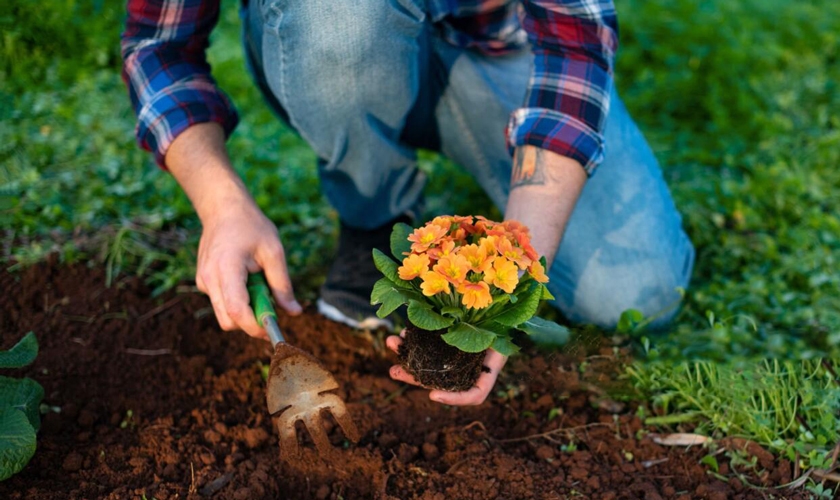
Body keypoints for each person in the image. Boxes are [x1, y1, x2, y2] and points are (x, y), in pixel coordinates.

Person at [121, 0, 694, 406]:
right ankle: (373, 214)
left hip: (497, 47)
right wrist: (221, 204)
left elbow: (574, 43)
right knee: (339, 19)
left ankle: (461, 212)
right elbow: (159, 45)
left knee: (638, 293)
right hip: (328, 37)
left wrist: (507, 279)